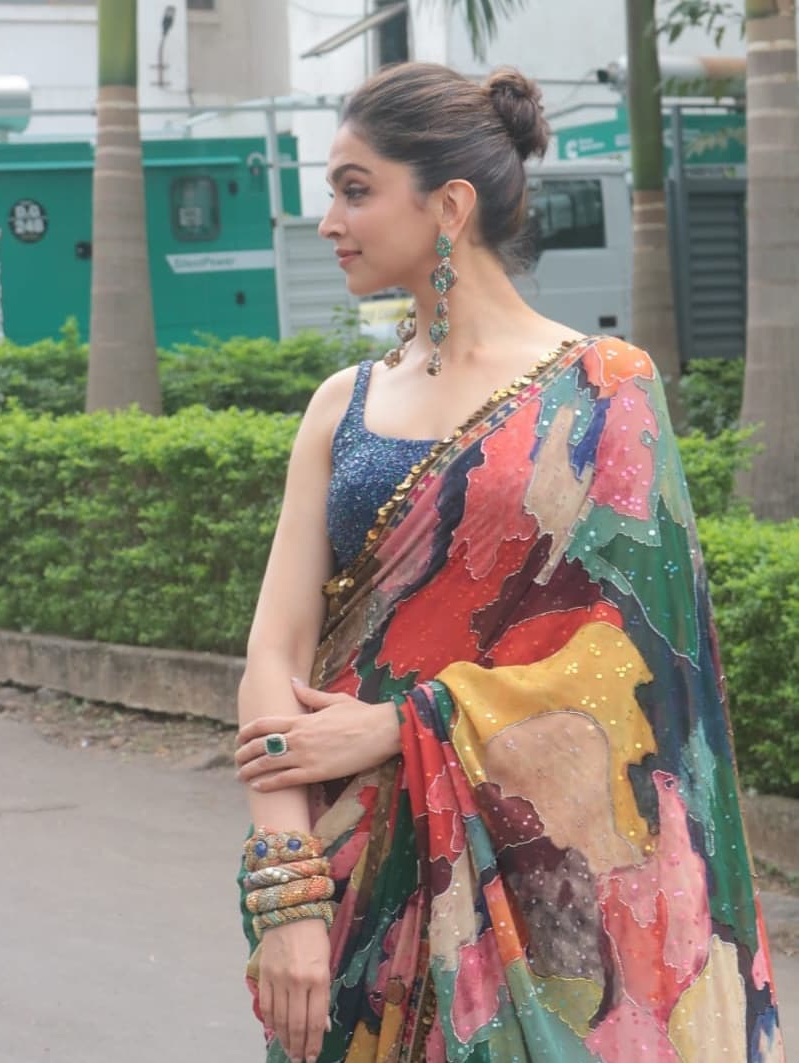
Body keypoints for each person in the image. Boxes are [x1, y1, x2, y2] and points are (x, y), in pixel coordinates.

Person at [233, 62, 784, 1063]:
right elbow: (275, 650)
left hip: (541, 895)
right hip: (349, 873)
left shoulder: (604, 391)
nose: (327, 220)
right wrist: (287, 898)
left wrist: (402, 725)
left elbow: (644, 671)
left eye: (354, 189)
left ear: (448, 206)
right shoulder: (340, 406)